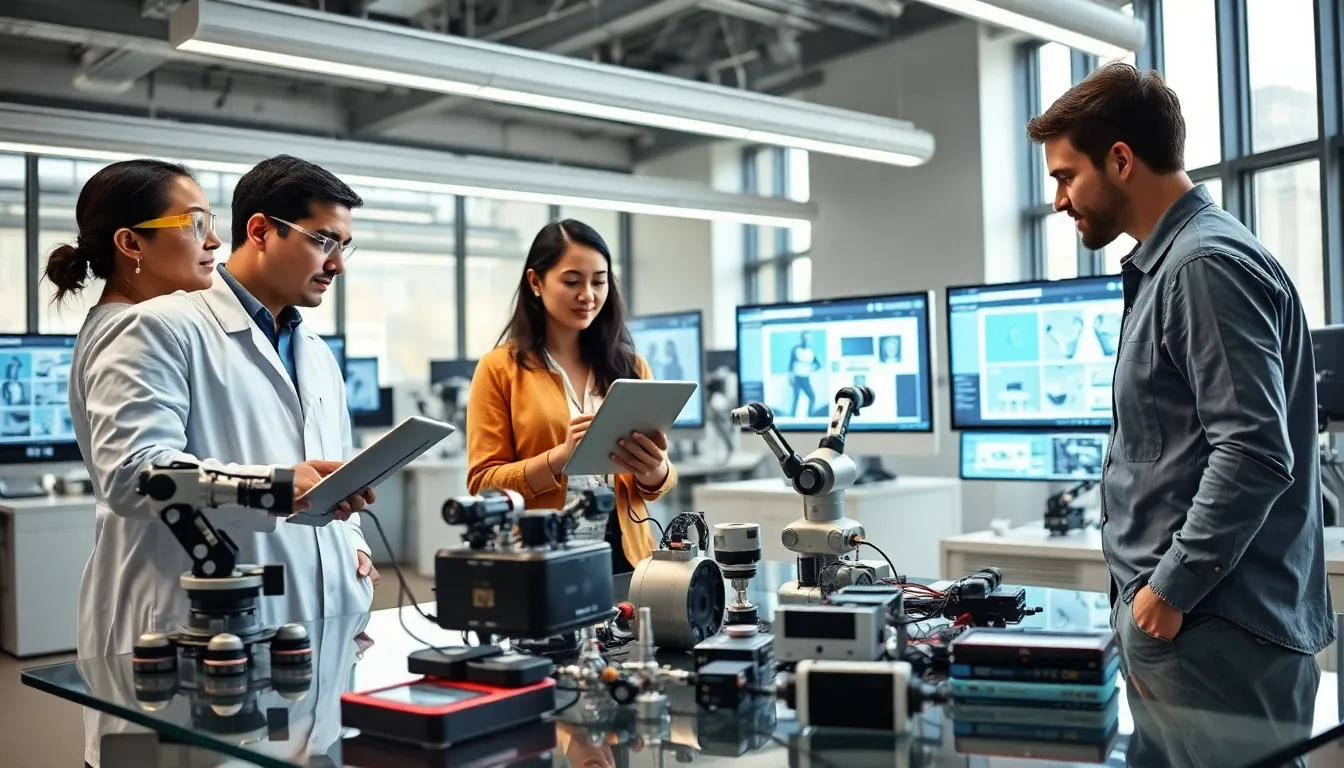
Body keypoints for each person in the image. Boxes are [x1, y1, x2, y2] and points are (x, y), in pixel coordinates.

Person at [1028, 62, 1332, 767]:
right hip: (1186, 630)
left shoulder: (1202, 264)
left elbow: (1254, 453)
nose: (1059, 199)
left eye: (1066, 175)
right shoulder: (1173, 265)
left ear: (1122, 160)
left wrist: (1164, 593)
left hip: (1210, 628)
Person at [70, 155, 378, 768]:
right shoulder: (156, 327)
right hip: (183, 636)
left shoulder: (315, 352)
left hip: (305, 637)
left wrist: (352, 548)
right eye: (323, 241)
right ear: (261, 231)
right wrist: (277, 487)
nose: (337, 263)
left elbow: (328, 472)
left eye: (345, 245)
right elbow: (134, 474)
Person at [466, 219, 676, 573]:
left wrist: (655, 470)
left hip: (627, 558)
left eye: (599, 281)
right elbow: (483, 485)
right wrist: (558, 459)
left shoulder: (631, 367)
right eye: (572, 281)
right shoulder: (499, 369)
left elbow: (656, 484)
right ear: (536, 282)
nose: (588, 296)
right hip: (544, 557)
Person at [787, 330, 820, 417]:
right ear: (802, 338)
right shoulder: (796, 349)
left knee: (812, 397)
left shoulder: (810, 351)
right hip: (797, 377)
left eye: (808, 338)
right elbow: (791, 363)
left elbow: (818, 364)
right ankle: (792, 417)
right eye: (805, 338)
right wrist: (790, 376)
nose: (806, 340)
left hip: (806, 378)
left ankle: (810, 415)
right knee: (796, 398)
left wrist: (812, 368)